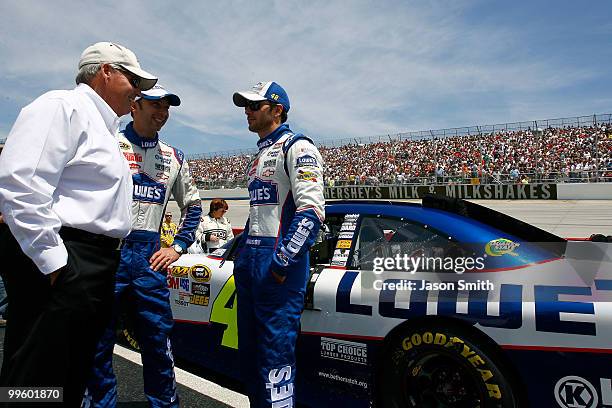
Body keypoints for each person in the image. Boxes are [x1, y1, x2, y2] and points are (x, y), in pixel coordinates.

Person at [0, 41, 157, 406]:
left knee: (70, 373)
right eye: (132, 79)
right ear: (105, 71)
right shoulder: (62, 107)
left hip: (94, 261)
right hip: (66, 257)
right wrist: (57, 266)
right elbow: (21, 185)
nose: (137, 90)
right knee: (35, 380)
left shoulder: (104, 127)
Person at [84, 84, 202, 408]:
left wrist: (176, 246)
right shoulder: (108, 143)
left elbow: (193, 206)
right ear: (134, 106)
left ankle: (164, 404)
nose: (161, 113)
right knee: (98, 338)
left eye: (166, 108)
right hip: (109, 253)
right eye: (155, 105)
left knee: (157, 337)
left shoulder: (174, 157)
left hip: (149, 257)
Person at [232, 81, 325, 407]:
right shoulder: (258, 156)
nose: (247, 111)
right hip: (251, 263)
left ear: (277, 110)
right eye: (246, 105)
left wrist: (282, 262)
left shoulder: (298, 147)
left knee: (275, 358)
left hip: (277, 264)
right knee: (251, 358)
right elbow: (260, 213)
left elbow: (312, 212)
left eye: (254, 105)